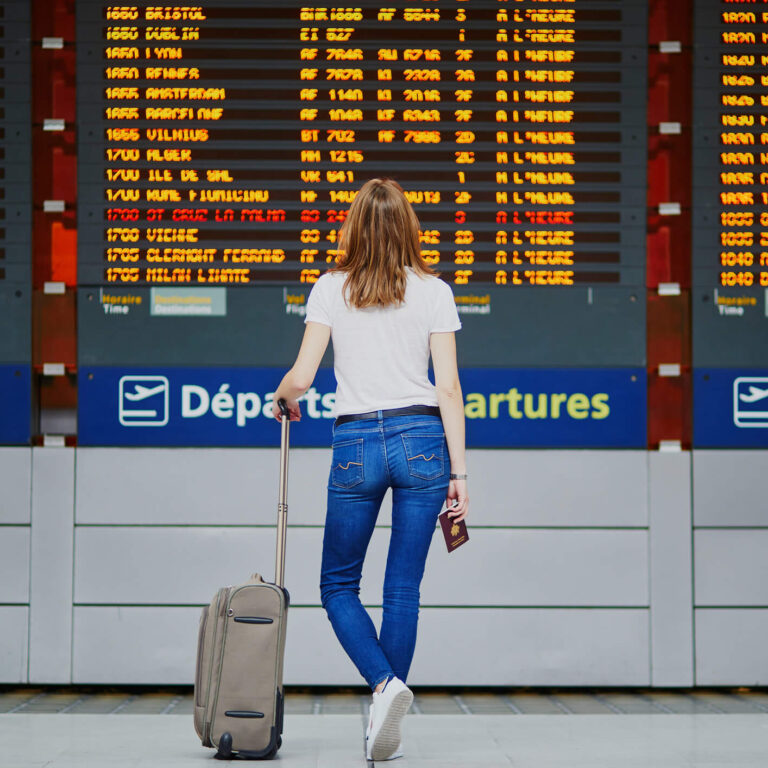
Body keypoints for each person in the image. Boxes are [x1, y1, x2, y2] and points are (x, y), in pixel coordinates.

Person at [272, 177, 468, 761]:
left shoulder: (331, 287)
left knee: (337, 584)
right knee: (402, 587)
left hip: (357, 441)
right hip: (424, 440)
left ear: (353, 227)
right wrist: (460, 474)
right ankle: (389, 711)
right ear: (409, 227)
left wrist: (282, 396)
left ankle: (384, 686)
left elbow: (302, 377)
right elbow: (449, 388)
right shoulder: (434, 290)